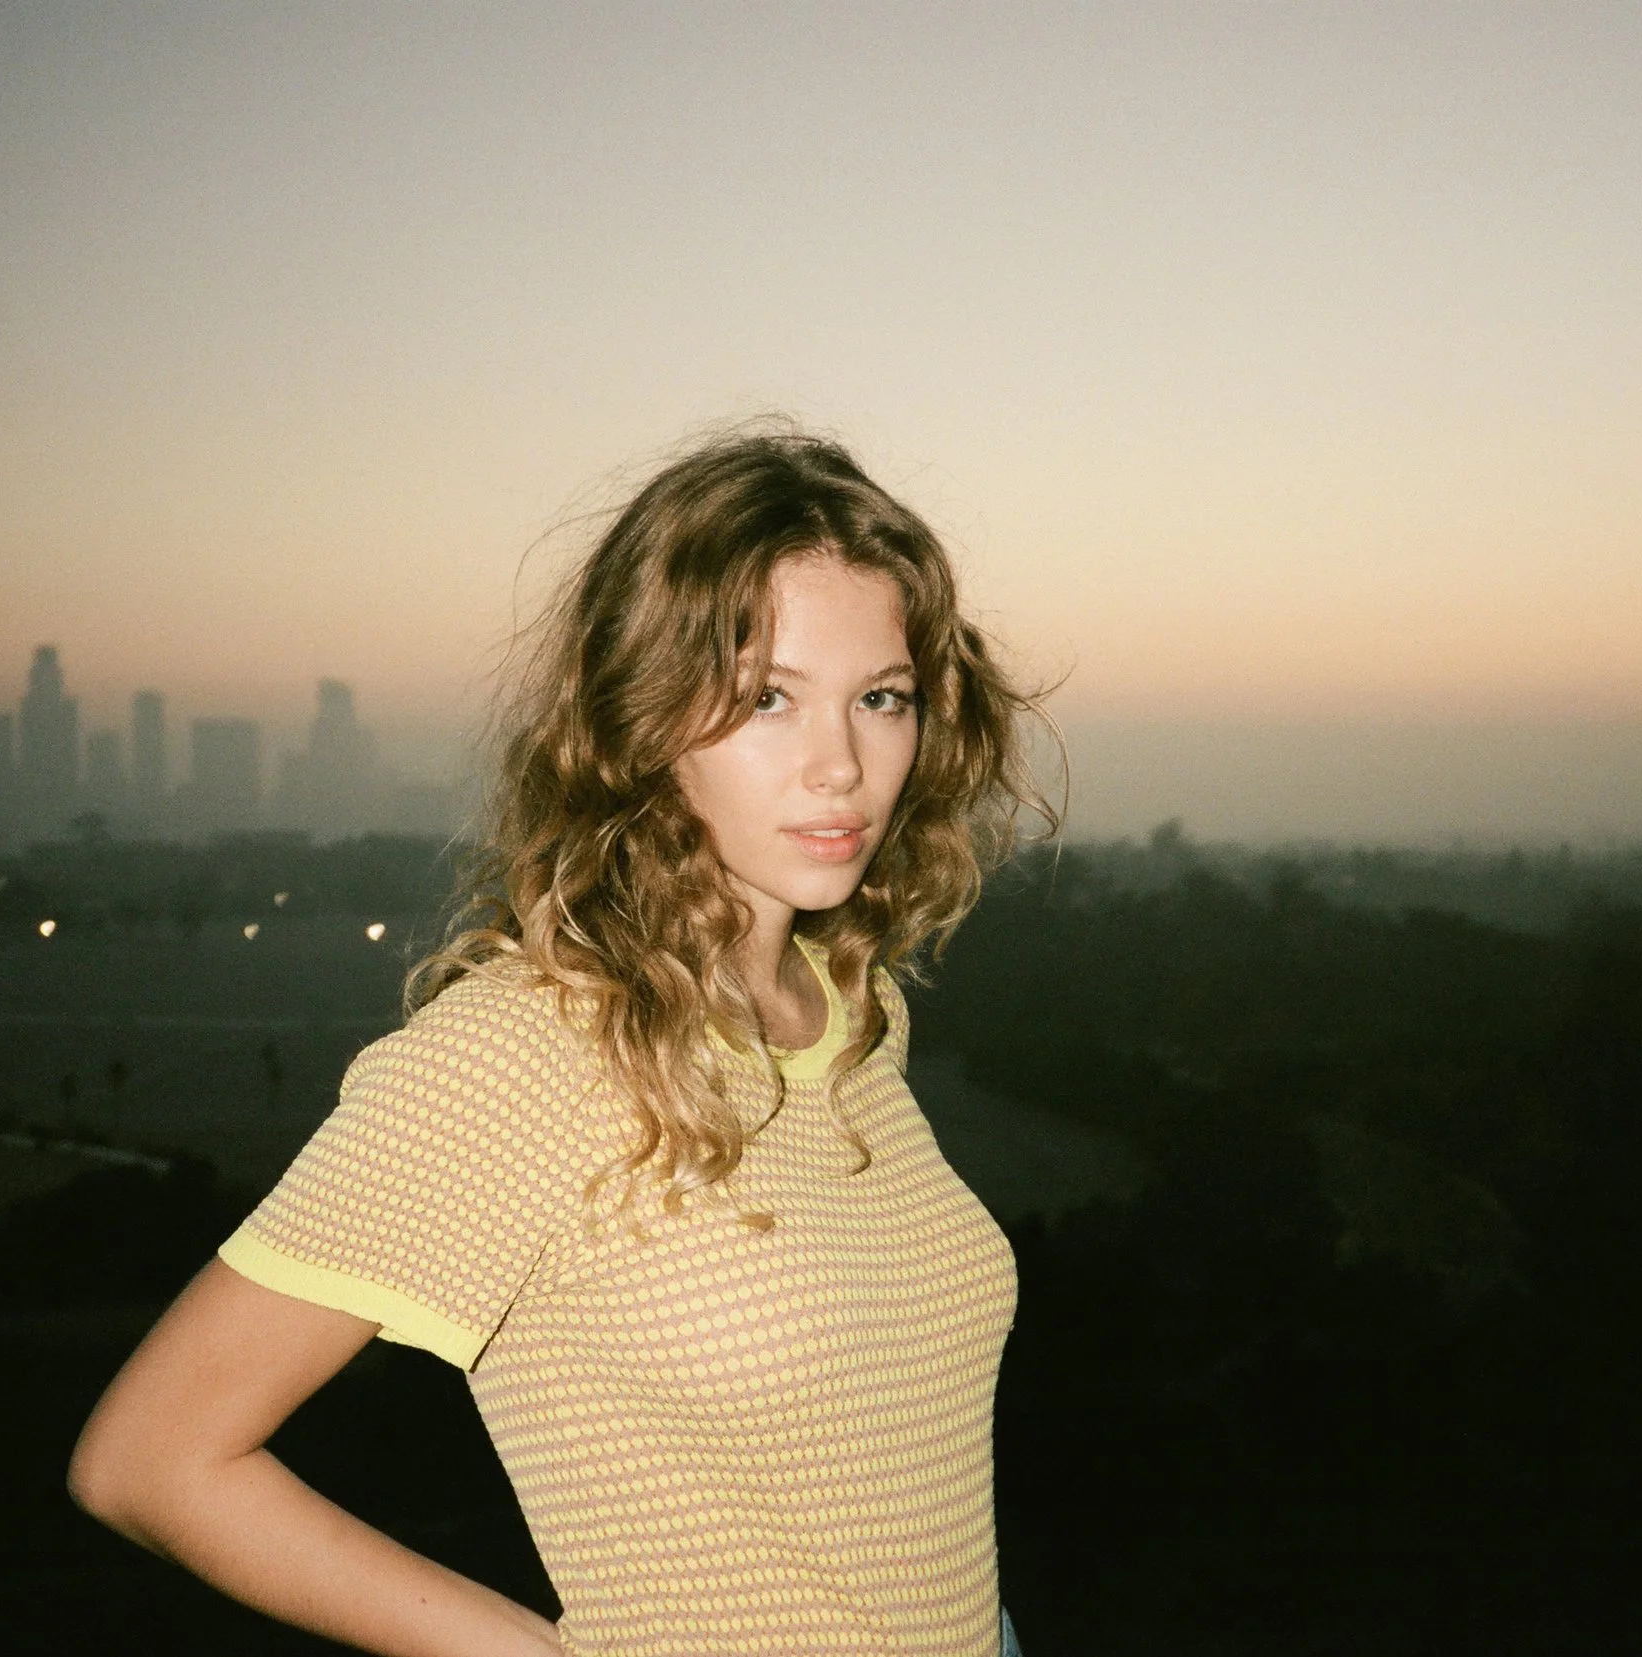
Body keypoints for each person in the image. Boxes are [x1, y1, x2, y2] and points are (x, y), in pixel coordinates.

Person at [68, 428, 1053, 1656]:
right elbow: (151, 1460)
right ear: (641, 713)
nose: (842, 764)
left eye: (881, 697)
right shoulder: (522, 1049)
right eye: (765, 698)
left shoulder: (851, 1010)